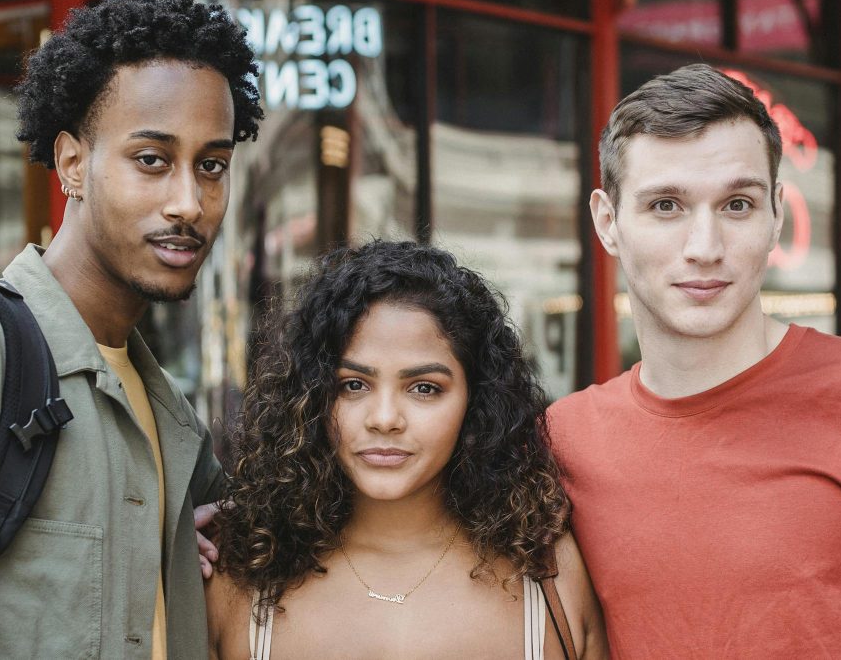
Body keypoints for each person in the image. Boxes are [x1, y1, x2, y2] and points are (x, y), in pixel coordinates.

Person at [0, 0, 262, 658]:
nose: (189, 202)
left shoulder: (174, 424)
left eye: (212, 165)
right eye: (152, 159)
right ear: (72, 164)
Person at [548, 63, 841, 658]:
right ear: (608, 222)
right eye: (666, 205)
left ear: (775, 216)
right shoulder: (563, 439)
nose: (704, 248)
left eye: (736, 205)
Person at [204, 241, 608, 659]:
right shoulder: (242, 574)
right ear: (309, 396)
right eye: (353, 385)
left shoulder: (548, 572)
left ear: (477, 401)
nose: (384, 418)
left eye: (424, 389)